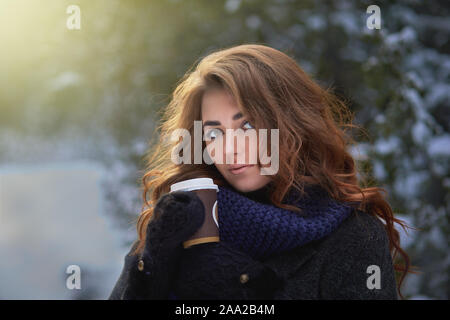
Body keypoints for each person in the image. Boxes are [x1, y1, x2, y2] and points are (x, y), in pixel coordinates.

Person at [109, 44, 412, 300]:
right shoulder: (185, 222)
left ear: (293, 123)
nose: (229, 149)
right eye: (214, 134)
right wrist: (150, 270)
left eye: (248, 126)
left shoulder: (355, 239)